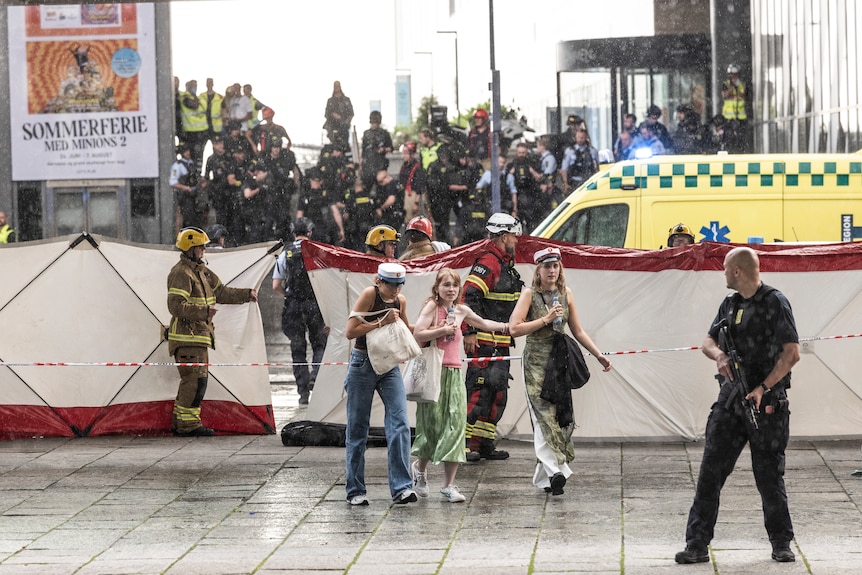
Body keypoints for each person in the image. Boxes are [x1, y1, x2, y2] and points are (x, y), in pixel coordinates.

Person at [675, 246, 800, 564]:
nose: (724, 274)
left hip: (767, 404)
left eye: (726, 269)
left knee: (769, 476)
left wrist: (763, 387)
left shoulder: (774, 302)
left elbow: (791, 354)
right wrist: (719, 355)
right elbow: (707, 340)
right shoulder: (729, 305)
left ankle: (781, 543)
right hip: (731, 401)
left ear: (739, 271)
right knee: (710, 473)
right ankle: (697, 544)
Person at [508, 247, 612, 495]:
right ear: (539, 270)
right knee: (542, 416)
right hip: (535, 362)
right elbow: (514, 328)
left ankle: (545, 478)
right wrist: (545, 320)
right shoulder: (529, 294)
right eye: (547, 266)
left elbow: (578, 330)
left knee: (559, 416)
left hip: (558, 361)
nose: (552, 271)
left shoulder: (567, 294)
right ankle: (556, 472)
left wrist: (598, 355)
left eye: (555, 266)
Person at [411, 269, 510, 503]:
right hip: (435, 372)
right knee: (432, 425)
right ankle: (420, 470)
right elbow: (418, 333)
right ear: (437, 288)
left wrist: (506, 328)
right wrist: (442, 330)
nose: (451, 289)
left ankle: (448, 485)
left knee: (455, 425)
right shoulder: (432, 308)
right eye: (446, 285)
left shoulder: (461, 311)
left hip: (455, 373)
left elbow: (483, 323)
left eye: (455, 285)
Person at [167, 227, 258, 436]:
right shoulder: (181, 273)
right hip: (186, 338)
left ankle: (182, 423)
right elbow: (175, 306)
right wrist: (204, 311)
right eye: (201, 247)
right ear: (190, 248)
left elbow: (222, 292)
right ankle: (188, 426)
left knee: (197, 382)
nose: (204, 251)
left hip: (198, 337)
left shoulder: (201, 271)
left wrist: (247, 294)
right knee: (194, 382)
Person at [344, 262, 417, 506]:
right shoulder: (369, 295)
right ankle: (355, 490)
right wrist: (380, 323)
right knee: (357, 428)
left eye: (399, 285)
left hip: (388, 365)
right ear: (379, 282)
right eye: (391, 285)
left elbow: (406, 329)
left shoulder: (401, 301)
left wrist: (436, 329)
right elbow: (350, 331)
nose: (396, 290)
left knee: (400, 423)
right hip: (362, 364)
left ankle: (402, 488)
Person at [462, 213, 524, 461]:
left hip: (500, 345)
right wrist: (469, 332)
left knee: (497, 394)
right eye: (513, 236)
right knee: (477, 394)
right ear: (503, 236)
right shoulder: (489, 263)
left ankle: (484, 444)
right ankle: (463, 445)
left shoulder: (505, 265)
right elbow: (468, 297)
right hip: (483, 343)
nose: (516, 241)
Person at [272, 218, 327, 406]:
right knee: (319, 344)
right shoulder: (317, 252)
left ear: (293, 233)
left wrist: (288, 294)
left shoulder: (285, 254)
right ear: (310, 233)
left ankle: (303, 393)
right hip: (314, 304)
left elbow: (276, 285)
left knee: (298, 349)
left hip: (294, 305)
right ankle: (316, 377)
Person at [360, 111, 393, 190]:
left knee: (381, 191)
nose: (374, 125)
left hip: (380, 166)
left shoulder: (384, 133)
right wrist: (361, 166)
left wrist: (384, 149)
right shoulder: (366, 134)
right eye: (373, 123)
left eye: (376, 123)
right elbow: (363, 151)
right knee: (366, 190)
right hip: (368, 167)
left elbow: (391, 148)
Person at [722, 65, 748, 153]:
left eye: (734, 74)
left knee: (740, 138)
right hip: (728, 117)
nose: (732, 77)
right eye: (731, 75)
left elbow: (744, 95)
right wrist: (732, 88)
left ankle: (740, 152)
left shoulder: (743, 84)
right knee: (729, 137)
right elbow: (725, 95)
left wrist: (734, 95)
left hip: (740, 116)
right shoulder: (726, 84)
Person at [398, 141, 426, 223]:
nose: (404, 156)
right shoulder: (405, 165)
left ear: (412, 154)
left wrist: (416, 203)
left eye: (406, 154)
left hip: (412, 195)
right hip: (405, 194)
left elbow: (419, 185)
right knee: (407, 219)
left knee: (413, 220)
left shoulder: (417, 167)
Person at [323, 81, 354, 148]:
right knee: (333, 146)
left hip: (343, 127)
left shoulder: (346, 100)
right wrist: (333, 115)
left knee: (344, 146)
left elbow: (351, 113)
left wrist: (343, 120)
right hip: (332, 126)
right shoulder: (330, 101)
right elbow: (326, 114)